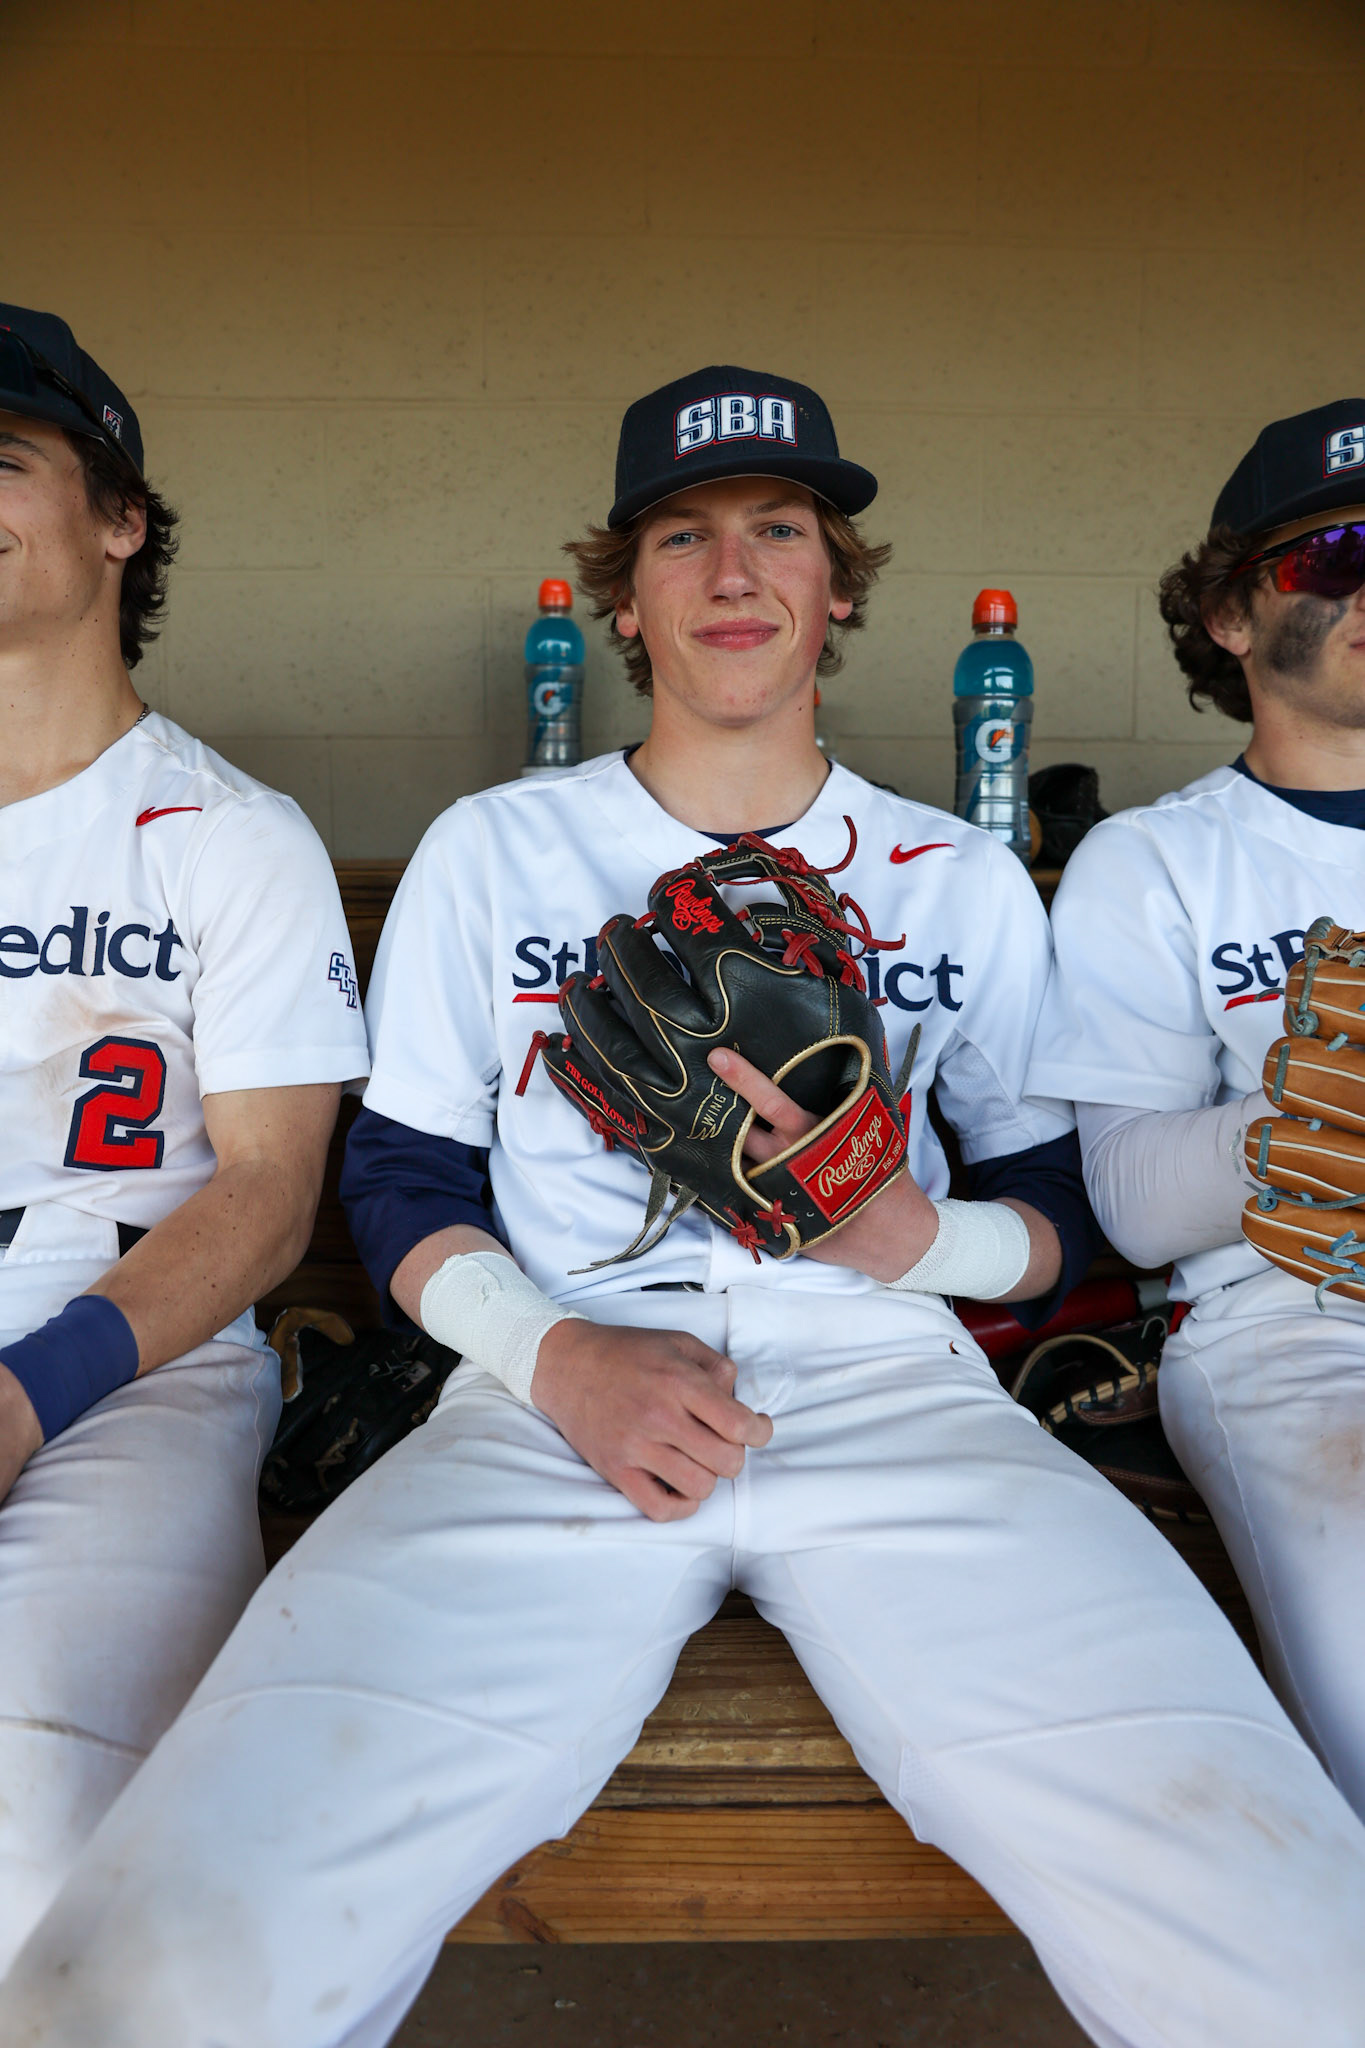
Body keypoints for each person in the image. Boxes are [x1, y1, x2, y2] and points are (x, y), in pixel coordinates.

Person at [7, 367, 1365, 2048]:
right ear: (624, 599)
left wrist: (908, 1241)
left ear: (837, 586)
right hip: (541, 1412)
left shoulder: (953, 874)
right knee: (149, 1975)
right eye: (683, 538)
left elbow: (1054, 1223)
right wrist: (556, 1354)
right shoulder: (494, 850)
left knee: (1299, 1944)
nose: (735, 573)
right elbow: (403, 1182)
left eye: (779, 531)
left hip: (893, 1401)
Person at [0, 305, 370, 1972]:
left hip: (130, 1356)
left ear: (119, 520)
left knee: (37, 1854)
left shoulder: (226, 835)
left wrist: (31, 1392)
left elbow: (274, 1196)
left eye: (5, 464)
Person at [1027, 399, 1365, 1816]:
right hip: (1293, 1323)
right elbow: (1133, 1198)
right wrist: (1317, 1108)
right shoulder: (1154, 862)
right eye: (1337, 551)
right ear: (1230, 614)